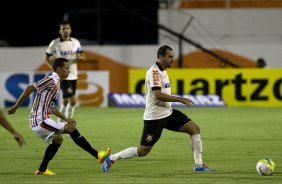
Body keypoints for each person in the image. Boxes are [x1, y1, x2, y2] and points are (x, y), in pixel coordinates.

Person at [102, 45, 214, 173]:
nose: (172, 59)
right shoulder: (154, 71)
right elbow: (158, 95)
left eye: (173, 57)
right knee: (143, 151)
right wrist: (180, 99)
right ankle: (112, 158)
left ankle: (199, 165)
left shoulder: (163, 70)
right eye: (169, 57)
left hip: (168, 113)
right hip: (155, 118)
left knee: (194, 129)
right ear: (161, 57)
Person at [8, 58, 110, 175]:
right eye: (66, 68)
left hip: (43, 119)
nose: (69, 71)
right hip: (39, 120)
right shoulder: (51, 79)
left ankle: (42, 169)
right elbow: (30, 88)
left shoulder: (56, 83)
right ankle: (98, 156)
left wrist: (66, 119)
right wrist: (16, 106)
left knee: (58, 139)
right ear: (58, 69)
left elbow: (51, 107)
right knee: (71, 129)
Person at [44, 20, 85, 120]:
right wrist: (53, 68)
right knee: (73, 101)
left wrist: (80, 58)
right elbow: (46, 57)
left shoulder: (76, 42)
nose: (65, 30)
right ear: (60, 31)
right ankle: (68, 124)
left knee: (66, 101)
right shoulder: (55, 43)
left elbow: (82, 57)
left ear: (70, 30)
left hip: (73, 75)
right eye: (63, 29)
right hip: (62, 76)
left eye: (67, 28)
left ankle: (58, 123)